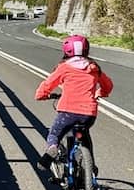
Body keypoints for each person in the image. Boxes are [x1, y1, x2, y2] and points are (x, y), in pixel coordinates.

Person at [35, 34, 113, 172]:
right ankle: (91, 167)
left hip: (68, 111)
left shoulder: (64, 67)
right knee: (85, 136)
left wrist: (41, 95)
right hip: (89, 114)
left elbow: (48, 84)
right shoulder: (94, 68)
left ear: (66, 51)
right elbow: (108, 85)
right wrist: (101, 93)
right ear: (86, 50)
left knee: (54, 134)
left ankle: (52, 149)